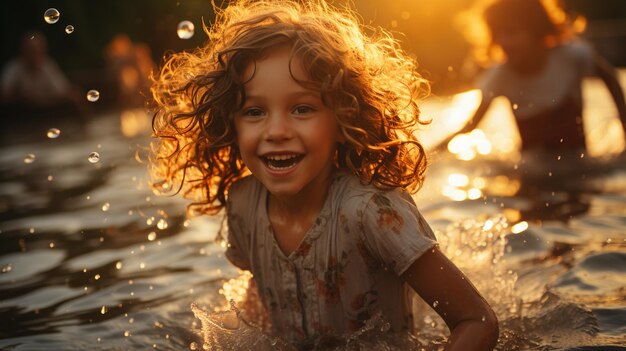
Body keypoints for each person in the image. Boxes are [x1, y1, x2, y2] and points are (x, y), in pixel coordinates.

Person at [150, 0, 499, 349]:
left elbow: (476, 320)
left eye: (302, 109)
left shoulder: (372, 213)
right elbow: (259, 302)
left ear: (343, 120)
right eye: (254, 111)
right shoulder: (243, 205)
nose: (276, 130)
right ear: (231, 124)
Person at [442, 0, 626, 160]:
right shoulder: (498, 77)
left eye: (511, 32)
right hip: (532, 170)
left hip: (578, 163)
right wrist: (436, 152)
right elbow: (471, 126)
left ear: (537, 29)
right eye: (497, 33)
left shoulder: (571, 56)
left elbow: (611, 78)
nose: (503, 41)